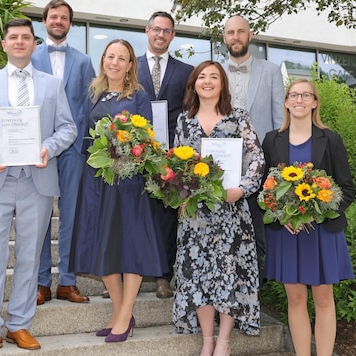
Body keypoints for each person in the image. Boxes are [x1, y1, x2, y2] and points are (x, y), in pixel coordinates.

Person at [0, 18, 76, 355]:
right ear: (5, 44)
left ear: (34, 44)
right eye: (14, 37)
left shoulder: (52, 85)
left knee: (29, 257)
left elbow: (67, 128)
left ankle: (19, 325)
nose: (20, 42)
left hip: (36, 181)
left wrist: (48, 149)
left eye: (26, 37)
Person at [69, 39, 168, 343]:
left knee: (130, 247)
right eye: (109, 56)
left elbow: (146, 137)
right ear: (103, 61)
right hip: (98, 181)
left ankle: (125, 316)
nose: (114, 62)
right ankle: (118, 312)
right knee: (104, 246)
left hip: (127, 182)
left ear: (129, 65)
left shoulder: (138, 95)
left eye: (121, 58)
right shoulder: (95, 94)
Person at [173, 60, 264, 356]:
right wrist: (181, 193)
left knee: (228, 272)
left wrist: (241, 190)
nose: (208, 81)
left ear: (223, 84)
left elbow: (257, 160)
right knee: (198, 272)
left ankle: (224, 340)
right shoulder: (183, 121)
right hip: (196, 215)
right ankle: (207, 340)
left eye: (214, 77)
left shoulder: (238, 117)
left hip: (231, 212)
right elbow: (174, 166)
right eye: (202, 77)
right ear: (194, 84)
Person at [262, 79, 355, 356]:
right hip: (287, 232)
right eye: (294, 95)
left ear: (315, 102)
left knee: (324, 299)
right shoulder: (271, 140)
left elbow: (347, 189)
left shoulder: (331, 139)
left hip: (322, 231)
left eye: (305, 95)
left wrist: (319, 212)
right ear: (287, 102)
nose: (299, 100)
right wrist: (281, 216)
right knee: (295, 298)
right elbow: (263, 189)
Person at [31, 0, 96, 306]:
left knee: (70, 216)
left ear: (70, 23)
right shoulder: (29, 57)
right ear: (45, 21)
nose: (58, 21)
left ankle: (67, 281)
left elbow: (90, 103)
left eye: (64, 18)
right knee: (41, 216)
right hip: (39, 148)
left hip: (73, 149)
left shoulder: (84, 62)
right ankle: (42, 281)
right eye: (53, 16)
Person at [136, 11, 194, 299]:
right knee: (133, 214)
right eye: (156, 29)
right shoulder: (129, 66)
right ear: (147, 31)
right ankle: (129, 271)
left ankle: (163, 276)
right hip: (134, 154)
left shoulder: (186, 71)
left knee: (167, 215)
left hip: (172, 155)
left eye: (167, 31)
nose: (161, 35)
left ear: (172, 35)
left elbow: (190, 110)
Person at [223, 15, 285, 280]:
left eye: (240, 32)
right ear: (224, 38)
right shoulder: (212, 72)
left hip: (260, 167)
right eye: (230, 33)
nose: (235, 37)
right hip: (220, 166)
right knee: (223, 234)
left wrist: (280, 165)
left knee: (258, 234)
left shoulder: (271, 71)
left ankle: (254, 293)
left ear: (250, 35)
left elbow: (280, 122)